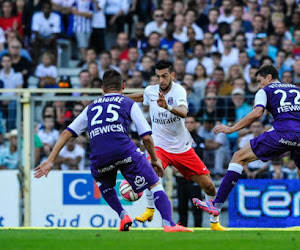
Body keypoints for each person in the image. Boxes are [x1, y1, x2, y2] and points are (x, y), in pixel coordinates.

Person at [34, 69, 193, 233]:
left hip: (99, 156)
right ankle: (168, 223)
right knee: (154, 184)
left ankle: (123, 215)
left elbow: (66, 133)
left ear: (102, 89)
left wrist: (50, 160)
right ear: (123, 86)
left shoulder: (91, 107)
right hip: (124, 151)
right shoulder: (127, 103)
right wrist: (154, 159)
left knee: (105, 185)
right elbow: (146, 136)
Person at [127, 60, 227, 231]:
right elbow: (140, 96)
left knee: (209, 186)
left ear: (172, 75)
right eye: (158, 76)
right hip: (159, 146)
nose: (161, 80)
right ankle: (150, 209)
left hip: (182, 148)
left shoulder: (179, 90)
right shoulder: (151, 91)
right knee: (152, 172)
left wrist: (167, 106)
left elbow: (183, 111)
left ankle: (214, 223)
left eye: (164, 76)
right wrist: (118, 98)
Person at [193, 64, 300, 216]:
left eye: (259, 80)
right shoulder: (296, 89)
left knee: (238, 157)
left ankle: (216, 205)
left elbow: (257, 113)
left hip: (284, 131)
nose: (258, 85)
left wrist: (232, 129)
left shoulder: (265, 90)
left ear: (269, 78)